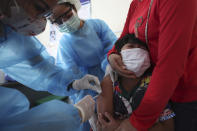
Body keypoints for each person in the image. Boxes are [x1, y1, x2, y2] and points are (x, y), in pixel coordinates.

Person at [0, 0, 101, 130]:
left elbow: (42, 70)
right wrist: (72, 116)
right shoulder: (65, 42)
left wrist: (73, 83)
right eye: (39, 7)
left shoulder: (11, 34)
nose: (41, 22)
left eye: (47, 15)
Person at [107, 0, 197, 130]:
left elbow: (170, 65)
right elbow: (126, 35)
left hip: (184, 92)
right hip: (154, 87)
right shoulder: (137, 3)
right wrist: (113, 54)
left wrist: (137, 122)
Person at [97, 34, 175, 131]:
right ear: (119, 54)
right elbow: (104, 124)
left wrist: (122, 126)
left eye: (142, 49)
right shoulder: (110, 81)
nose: (137, 51)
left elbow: (168, 127)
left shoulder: (155, 83)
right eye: (131, 47)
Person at [50, 0, 117, 104]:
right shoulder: (64, 43)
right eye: (59, 21)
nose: (65, 22)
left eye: (68, 15)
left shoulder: (97, 25)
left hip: (110, 71)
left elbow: (111, 46)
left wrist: (109, 64)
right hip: (87, 83)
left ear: (75, 9)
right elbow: (70, 72)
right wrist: (82, 87)